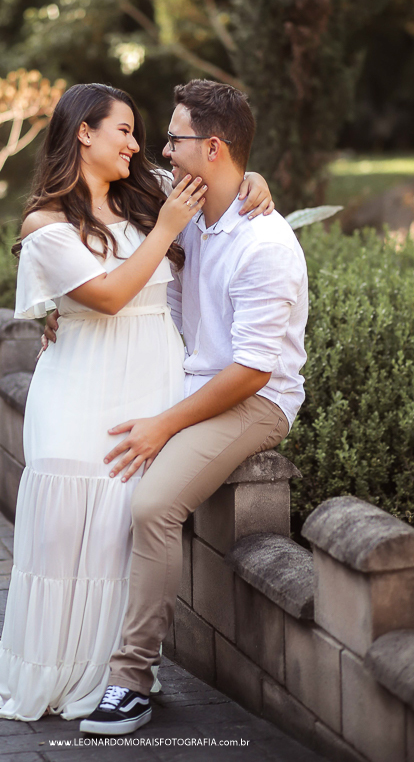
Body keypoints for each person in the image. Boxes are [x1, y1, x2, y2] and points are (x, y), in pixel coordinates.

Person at [0, 82, 272, 722]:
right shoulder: (46, 224)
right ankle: (47, 669)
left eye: (140, 133)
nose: (138, 145)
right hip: (79, 386)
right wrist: (165, 228)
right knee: (61, 534)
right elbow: (107, 295)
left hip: (151, 381)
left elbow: (217, 168)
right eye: (125, 131)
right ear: (84, 133)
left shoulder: (147, 192)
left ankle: (115, 674)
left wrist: (255, 178)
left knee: (115, 533)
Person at [77, 79, 309, 736]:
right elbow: (87, 186)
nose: (160, 151)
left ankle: (131, 677)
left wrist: (162, 425)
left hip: (252, 401)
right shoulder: (183, 200)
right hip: (187, 382)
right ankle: (78, 643)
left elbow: (251, 370)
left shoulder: (264, 247)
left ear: (209, 147)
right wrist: (54, 308)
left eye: (174, 140)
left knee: (153, 504)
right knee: (89, 461)